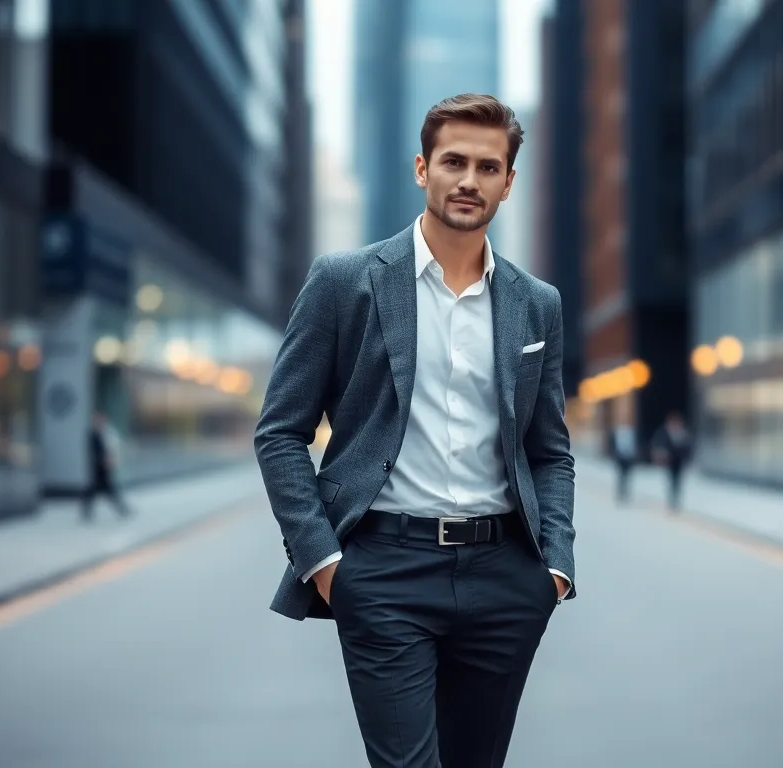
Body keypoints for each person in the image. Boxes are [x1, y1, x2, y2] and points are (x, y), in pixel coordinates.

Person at [254, 93, 575, 768]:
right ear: (421, 168)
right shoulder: (345, 283)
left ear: (509, 182)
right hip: (383, 571)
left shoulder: (536, 304)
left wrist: (553, 567)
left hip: (503, 576)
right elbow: (280, 431)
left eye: (488, 168)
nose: (469, 180)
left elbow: (548, 450)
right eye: (453, 161)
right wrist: (327, 566)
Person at [82, 411, 130, 521]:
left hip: (102, 468)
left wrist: (110, 460)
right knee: (100, 490)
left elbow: (109, 448)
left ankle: (121, 509)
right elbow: (95, 452)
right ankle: (122, 509)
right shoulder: (93, 434)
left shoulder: (103, 433)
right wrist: (104, 461)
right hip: (98, 468)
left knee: (100, 490)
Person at [651, 411, 693, 511]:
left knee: (678, 481)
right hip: (670, 462)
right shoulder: (665, 432)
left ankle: (676, 500)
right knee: (671, 481)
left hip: (680, 462)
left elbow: (688, 447)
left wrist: (687, 459)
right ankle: (671, 500)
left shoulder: (683, 433)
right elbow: (659, 444)